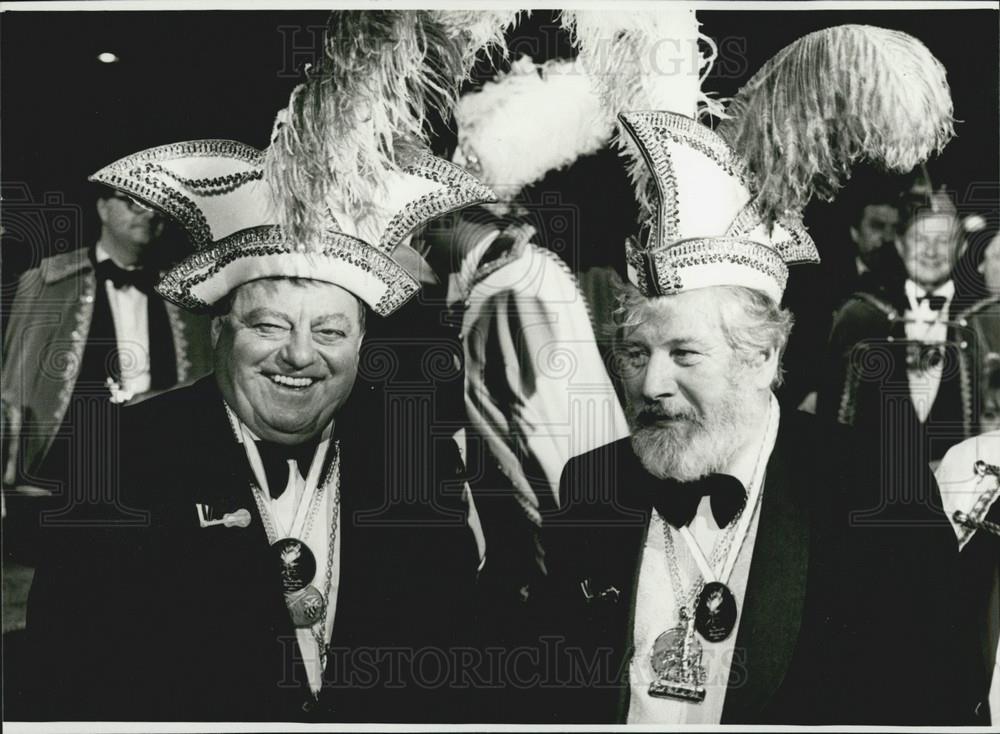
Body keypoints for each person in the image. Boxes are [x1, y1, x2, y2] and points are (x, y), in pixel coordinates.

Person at [518, 23, 978, 725]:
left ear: (764, 357)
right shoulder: (591, 486)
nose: (651, 385)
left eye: (686, 354)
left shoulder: (874, 488)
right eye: (637, 354)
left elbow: (935, 696)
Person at [24, 132, 496, 721]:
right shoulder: (122, 458)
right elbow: (65, 678)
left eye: (329, 332)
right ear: (219, 331)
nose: (300, 356)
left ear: (361, 343)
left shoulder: (415, 457)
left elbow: (458, 662)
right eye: (270, 326)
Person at [821, 187, 988, 463]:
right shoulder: (863, 316)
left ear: (962, 248)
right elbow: (837, 420)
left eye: (943, 240)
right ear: (900, 244)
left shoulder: (983, 320)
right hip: (876, 484)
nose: (931, 251)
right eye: (920, 239)